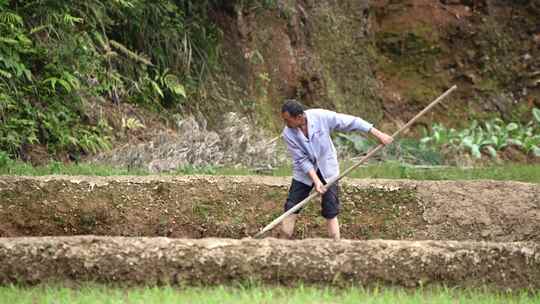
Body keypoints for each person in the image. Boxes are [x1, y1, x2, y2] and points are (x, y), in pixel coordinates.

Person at [280, 99, 393, 240]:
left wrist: (379, 134)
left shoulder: (320, 116)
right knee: (291, 207)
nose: (286, 124)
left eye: (288, 120)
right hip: (304, 173)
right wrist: (316, 181)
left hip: (328, 169)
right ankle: (282, 244)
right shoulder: (288, 133)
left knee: (330, 209)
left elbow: (353, 121)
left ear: (299, 117)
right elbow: (302, 160)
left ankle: (336, 246)